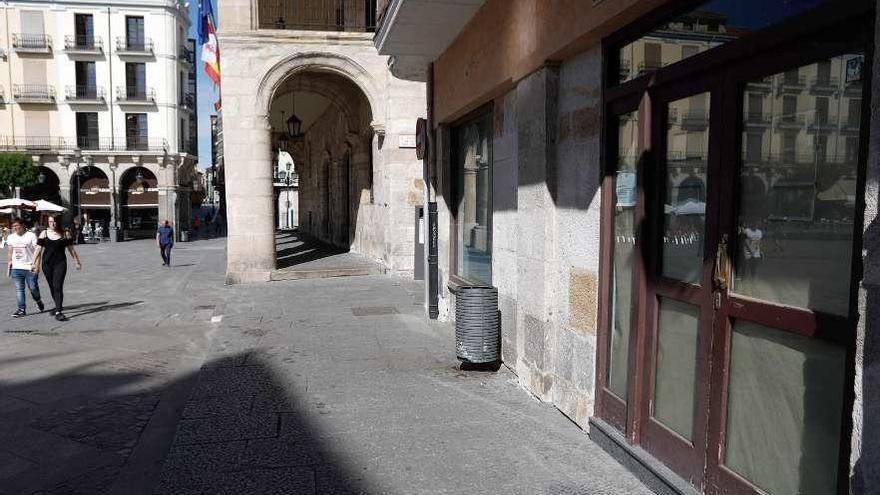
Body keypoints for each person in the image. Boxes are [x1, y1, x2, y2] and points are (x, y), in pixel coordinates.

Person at [33, 215, 81, 321]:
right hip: (47, 265)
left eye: (54, 221)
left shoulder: (65, 233)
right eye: (50, 222)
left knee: (57, 286)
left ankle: (59, 311)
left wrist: (77, 262)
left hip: (60, 264)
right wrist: (33, 263)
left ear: (58, 222)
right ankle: (57, 306)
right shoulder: (44, 233)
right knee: (52, 287)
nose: (52, 224)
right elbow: (38, 249)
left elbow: (71, 249)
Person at [6, 218, 44, 318]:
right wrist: (9, 264)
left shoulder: (31, 236)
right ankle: (21, 309)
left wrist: (37, 265)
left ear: (23, 225)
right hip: (16, 267)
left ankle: (38, 300)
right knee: (19, 289)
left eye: (17, 226)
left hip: (30, 267)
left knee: (33, 288)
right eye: (13, 226)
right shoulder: (11, 237)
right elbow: (10, 251)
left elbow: (38, 251)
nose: (15, 228)